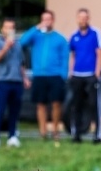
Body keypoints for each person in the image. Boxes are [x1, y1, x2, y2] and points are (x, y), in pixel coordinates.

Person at [19, 10, 69, 143]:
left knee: (56, 104)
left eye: (49, 19)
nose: (47, 21)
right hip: (39, 75)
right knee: (40, 104)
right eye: (44, 19)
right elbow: (22, 42)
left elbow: (65, 58)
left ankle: (55, 131)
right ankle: (42, 132)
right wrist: (36, 28)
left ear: (53, 20)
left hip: (55, 75)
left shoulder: (60, 38)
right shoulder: (36, 36)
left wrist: (63, 75)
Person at [68, 8, 101, 144]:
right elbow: (72, 55)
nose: (83, 20)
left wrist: (97, 73)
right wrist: (71, 72)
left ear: (88, 19)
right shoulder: (74, 35)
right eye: (80, 17)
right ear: (77, 19)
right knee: (76, 105)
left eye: (85, 18)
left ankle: (98, 135)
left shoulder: (95, 33)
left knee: (94, 105)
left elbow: (100, 53)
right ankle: (76, 134)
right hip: (77, 75)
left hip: (91, 74)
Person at [0, 18, 28, 148]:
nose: (10, 30)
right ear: (2, 30)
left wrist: (25, 78)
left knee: (14, 110)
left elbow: (21, 63)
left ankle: (12, 135)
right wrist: (6, 47)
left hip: (16, 81)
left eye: (12, 27)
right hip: (3, 80)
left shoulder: (18, 45)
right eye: (7, 27)